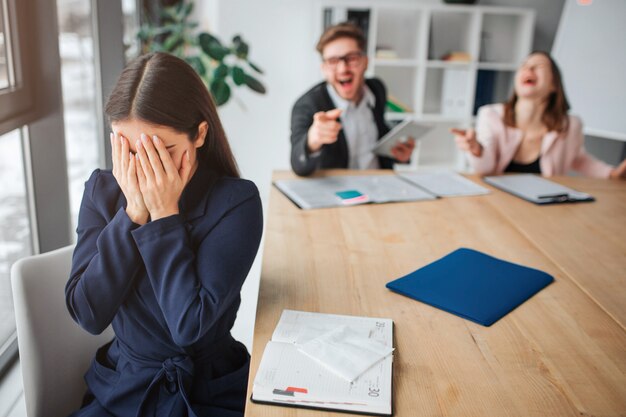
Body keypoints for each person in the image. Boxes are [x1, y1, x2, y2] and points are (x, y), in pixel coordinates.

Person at [65, 52, 263, 417]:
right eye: (129, 150)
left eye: (161, 152)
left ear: (200, 134)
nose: (144, 169)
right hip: (122, 390)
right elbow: (88, 314)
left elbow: (190, 326)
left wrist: (164, 217)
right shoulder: (101, 190)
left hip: (206, 392)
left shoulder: (236, 202)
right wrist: (133, 213)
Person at [452, 51, 626, 179]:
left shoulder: (570, 125)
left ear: (554, 85)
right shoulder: (490, 115)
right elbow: (485, 170)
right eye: (525, 65)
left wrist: (612, 173)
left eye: (539, 66)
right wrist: (476, 149)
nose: (529, 68)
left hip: (545, 207)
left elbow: (578, 159)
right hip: (497, 202)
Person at [290, 22, 415, 176]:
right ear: (323, 69)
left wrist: (397, 153)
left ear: (365, 62)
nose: (343, 69)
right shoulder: (306, 105)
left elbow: (379, 132)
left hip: (380, 183)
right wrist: (313, 141)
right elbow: (298, 164)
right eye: (333, 61)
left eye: (351, 58)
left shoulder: (377, 88)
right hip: (340, 193)